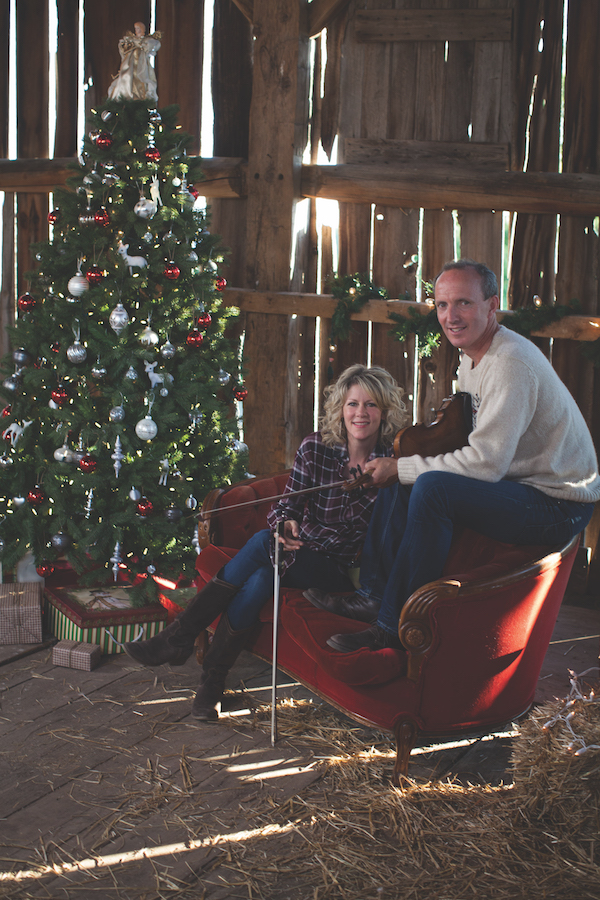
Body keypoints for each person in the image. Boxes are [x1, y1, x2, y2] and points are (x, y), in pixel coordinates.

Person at [307, 259, 600, 653]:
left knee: (429, 486)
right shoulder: (474, 354)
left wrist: (405, 467)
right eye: (442, 305)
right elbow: (468, 436)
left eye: (463, 302)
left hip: (558, 501)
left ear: (491, 305)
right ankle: (374, 597)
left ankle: (392, 630)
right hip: (522, 484)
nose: (450, 316)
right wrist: (403, 464)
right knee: (405, 474)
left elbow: (486, 463)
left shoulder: (510, 363)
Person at [124, 364, 408, 719]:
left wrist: (298, 535)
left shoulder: (393, 467)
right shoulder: (316, 448)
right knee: (260, 574)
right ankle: (210, 684)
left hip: (336, 571)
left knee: (262, 544)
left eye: (371, 405)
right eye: (353, 404)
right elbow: (285, 505)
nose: (360, 414)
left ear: (385, 412)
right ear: (340, 408)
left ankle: (181, 637)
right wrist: (285, 522)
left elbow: (360, 541)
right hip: (294, 553)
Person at [108, 22, 161, 103]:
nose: (137, 30)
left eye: (138, 29)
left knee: (142, 79)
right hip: (130, 65)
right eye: (136, 29)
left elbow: (153, 46)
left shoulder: (145, 41)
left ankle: (140, 96)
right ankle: (127, 94)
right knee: (127, 77)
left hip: (141, 65)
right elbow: (123, 47)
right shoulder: (132, 40)